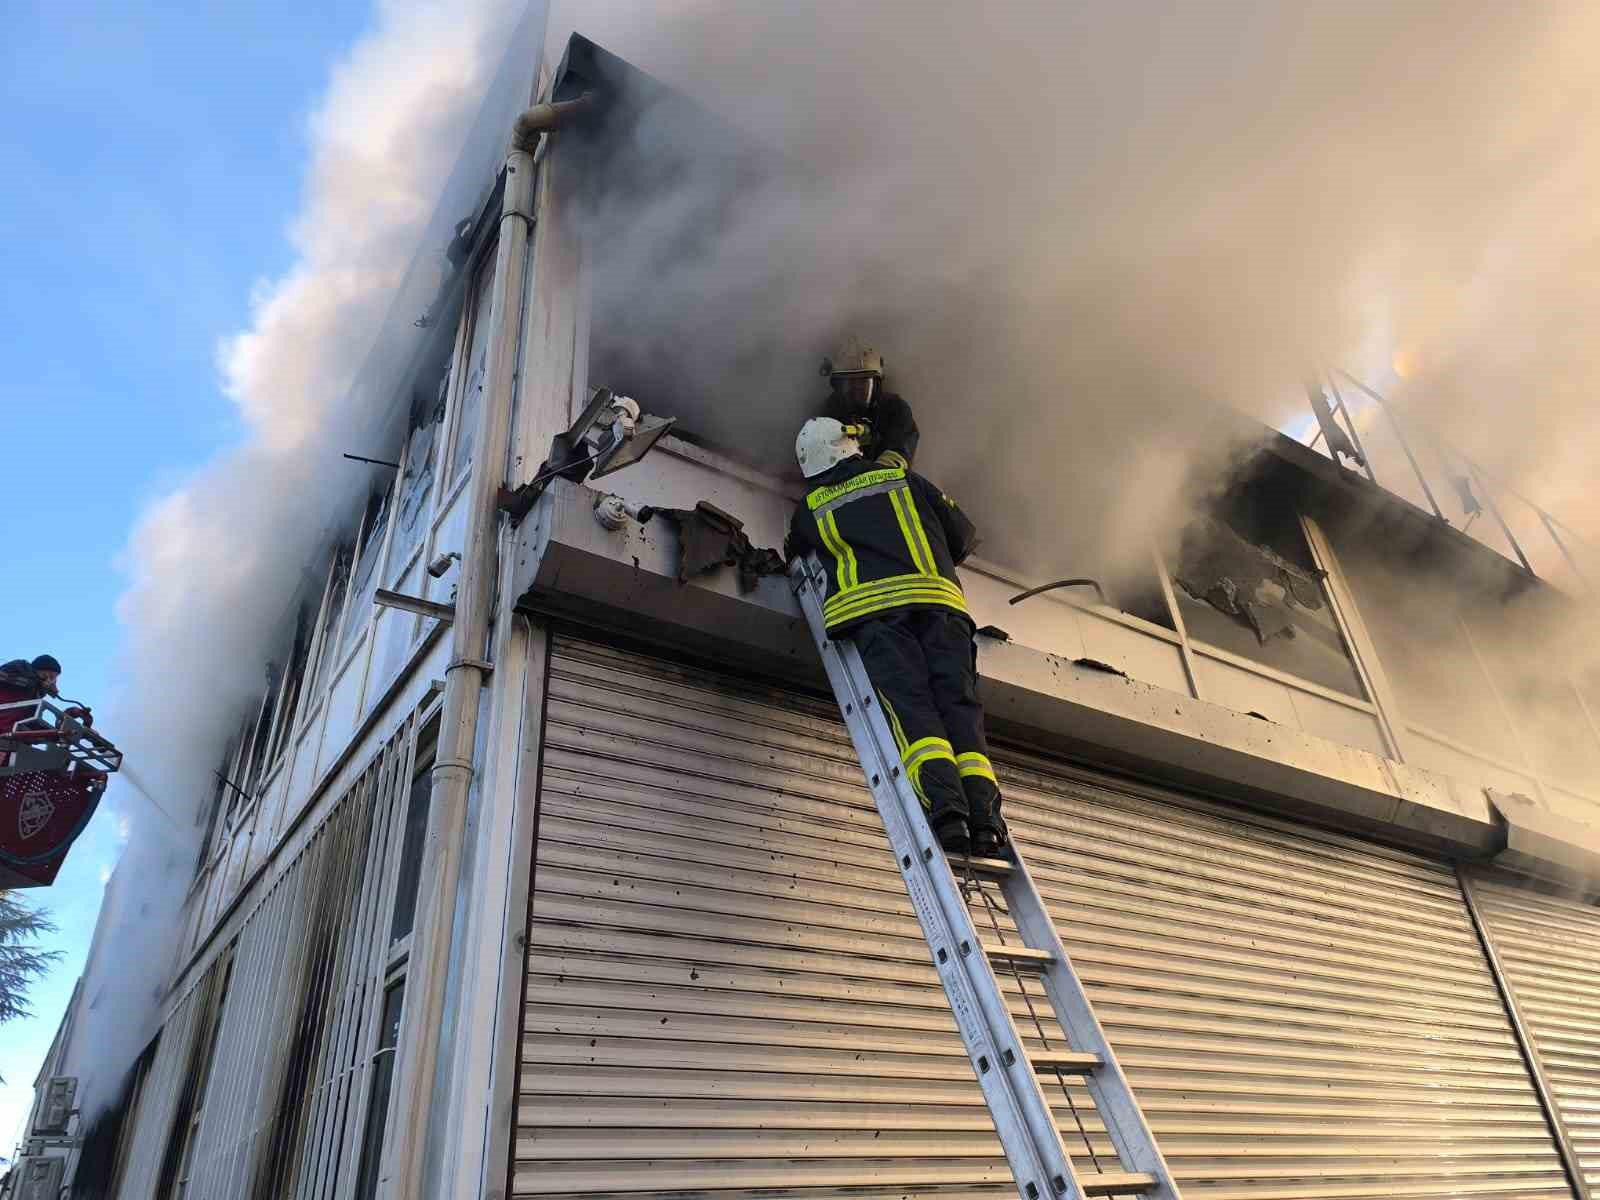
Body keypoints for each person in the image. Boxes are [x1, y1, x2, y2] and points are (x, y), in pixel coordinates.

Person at [785, 417, 1008, 858]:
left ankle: (947, 813)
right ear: (850, 447)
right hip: (942, 609)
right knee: (959, 709)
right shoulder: (905, 479)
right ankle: (985, 822)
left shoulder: (811, 504)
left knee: (912, 710)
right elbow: (963, 536)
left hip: (877, 617)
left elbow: (795, 553)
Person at [820, 336, 919, 470]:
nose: (856, 390)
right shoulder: (830, 413)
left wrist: (868, 474)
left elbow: (898, 455)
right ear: (838, 388)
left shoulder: (895, 409)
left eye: (863, 383)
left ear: (877, 385)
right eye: (849, 384)